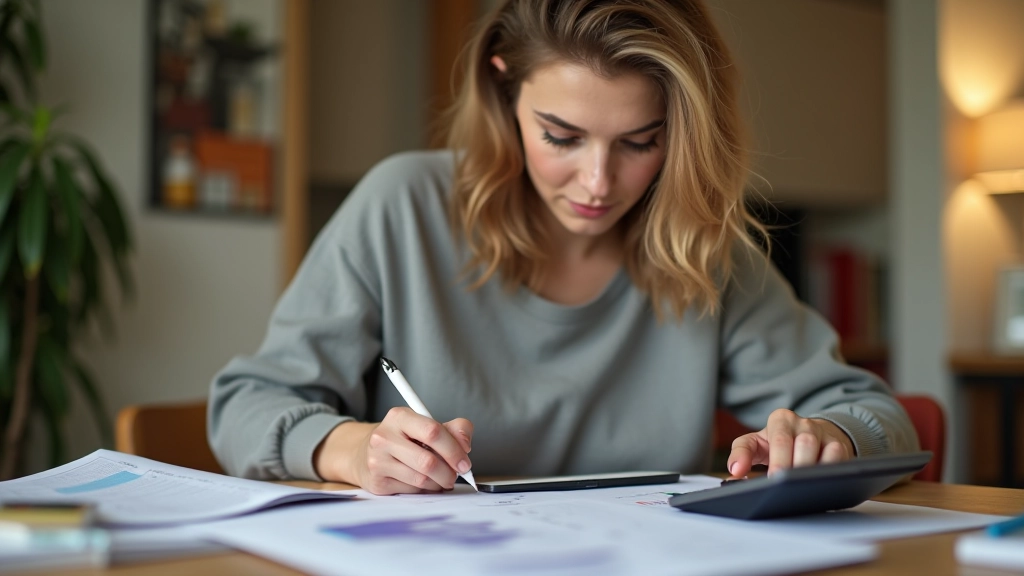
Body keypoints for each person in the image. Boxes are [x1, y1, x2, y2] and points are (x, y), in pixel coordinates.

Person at [208, 0, 919, 495]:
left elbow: (878, 414)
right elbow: (247, 404)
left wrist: (831, 436)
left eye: (641, 142)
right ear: (502, 84)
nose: (599, 183)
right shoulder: (403, 207)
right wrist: (352, 450)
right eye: (561, 136)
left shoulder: (701, 245)